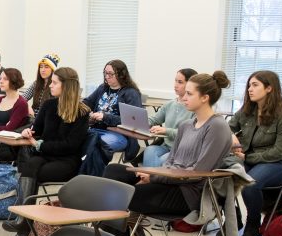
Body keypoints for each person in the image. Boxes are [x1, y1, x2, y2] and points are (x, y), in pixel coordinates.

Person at [103, 71, 233, 220]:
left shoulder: (217, 126)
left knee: (120, 195)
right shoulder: (186, 125)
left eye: (189, 94)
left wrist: (154, 177)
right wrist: (154, 176)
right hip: (169, 181)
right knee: (113, 170)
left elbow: (197, 173)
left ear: (205, 98)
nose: (184, 98)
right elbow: (170, 160)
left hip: (188, 193)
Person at [1, 67, 90, 236]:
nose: (50, 85)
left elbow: (70, 146)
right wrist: (29, 132)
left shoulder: (82, 112)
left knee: (33, 171)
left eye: (55, 82)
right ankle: (23, 223)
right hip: (45, 154)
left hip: (67, 161)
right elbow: (38, 130)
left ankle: (23, 225)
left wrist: (40, 144)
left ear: (67, 86)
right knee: (29, 166)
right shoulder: (49, 105)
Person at [228, 70, 282, 236]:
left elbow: (279, 151)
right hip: (248, 159)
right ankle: (233, 220)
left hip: (275, 163)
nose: (250, 89)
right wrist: (231, 136)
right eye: (249, 85)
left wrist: (248, 156)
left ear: (269, 88)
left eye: (255, 85)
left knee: (250, 184)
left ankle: (253, 226)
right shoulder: (246, 111)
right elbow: (226, 128)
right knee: (221, 176)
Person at [83, 59, 142, 161]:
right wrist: (87, 113)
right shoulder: (102, 88)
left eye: (110, 74)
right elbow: (87, 103)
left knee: (97, 143)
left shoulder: (131, 93)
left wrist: (105, 117)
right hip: (95, 130)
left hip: (118, 134)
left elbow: (133, 121)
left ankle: (95, 171)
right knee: (78, 139)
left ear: (121, 75)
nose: (106, 76)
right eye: (105, 73)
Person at [142, 68, 198, 168]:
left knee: (162, 162)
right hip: (166, 146)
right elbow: (154, 119)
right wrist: (140, 123)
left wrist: (166, 131)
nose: (175, 85)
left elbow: (189, 135)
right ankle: (151, 179)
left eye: (180, 82)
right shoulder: (170, 104)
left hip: (181, 150)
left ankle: (149, 178)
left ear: (190, 85)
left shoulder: (194, 109)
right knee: (149, 150)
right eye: (175, 81)